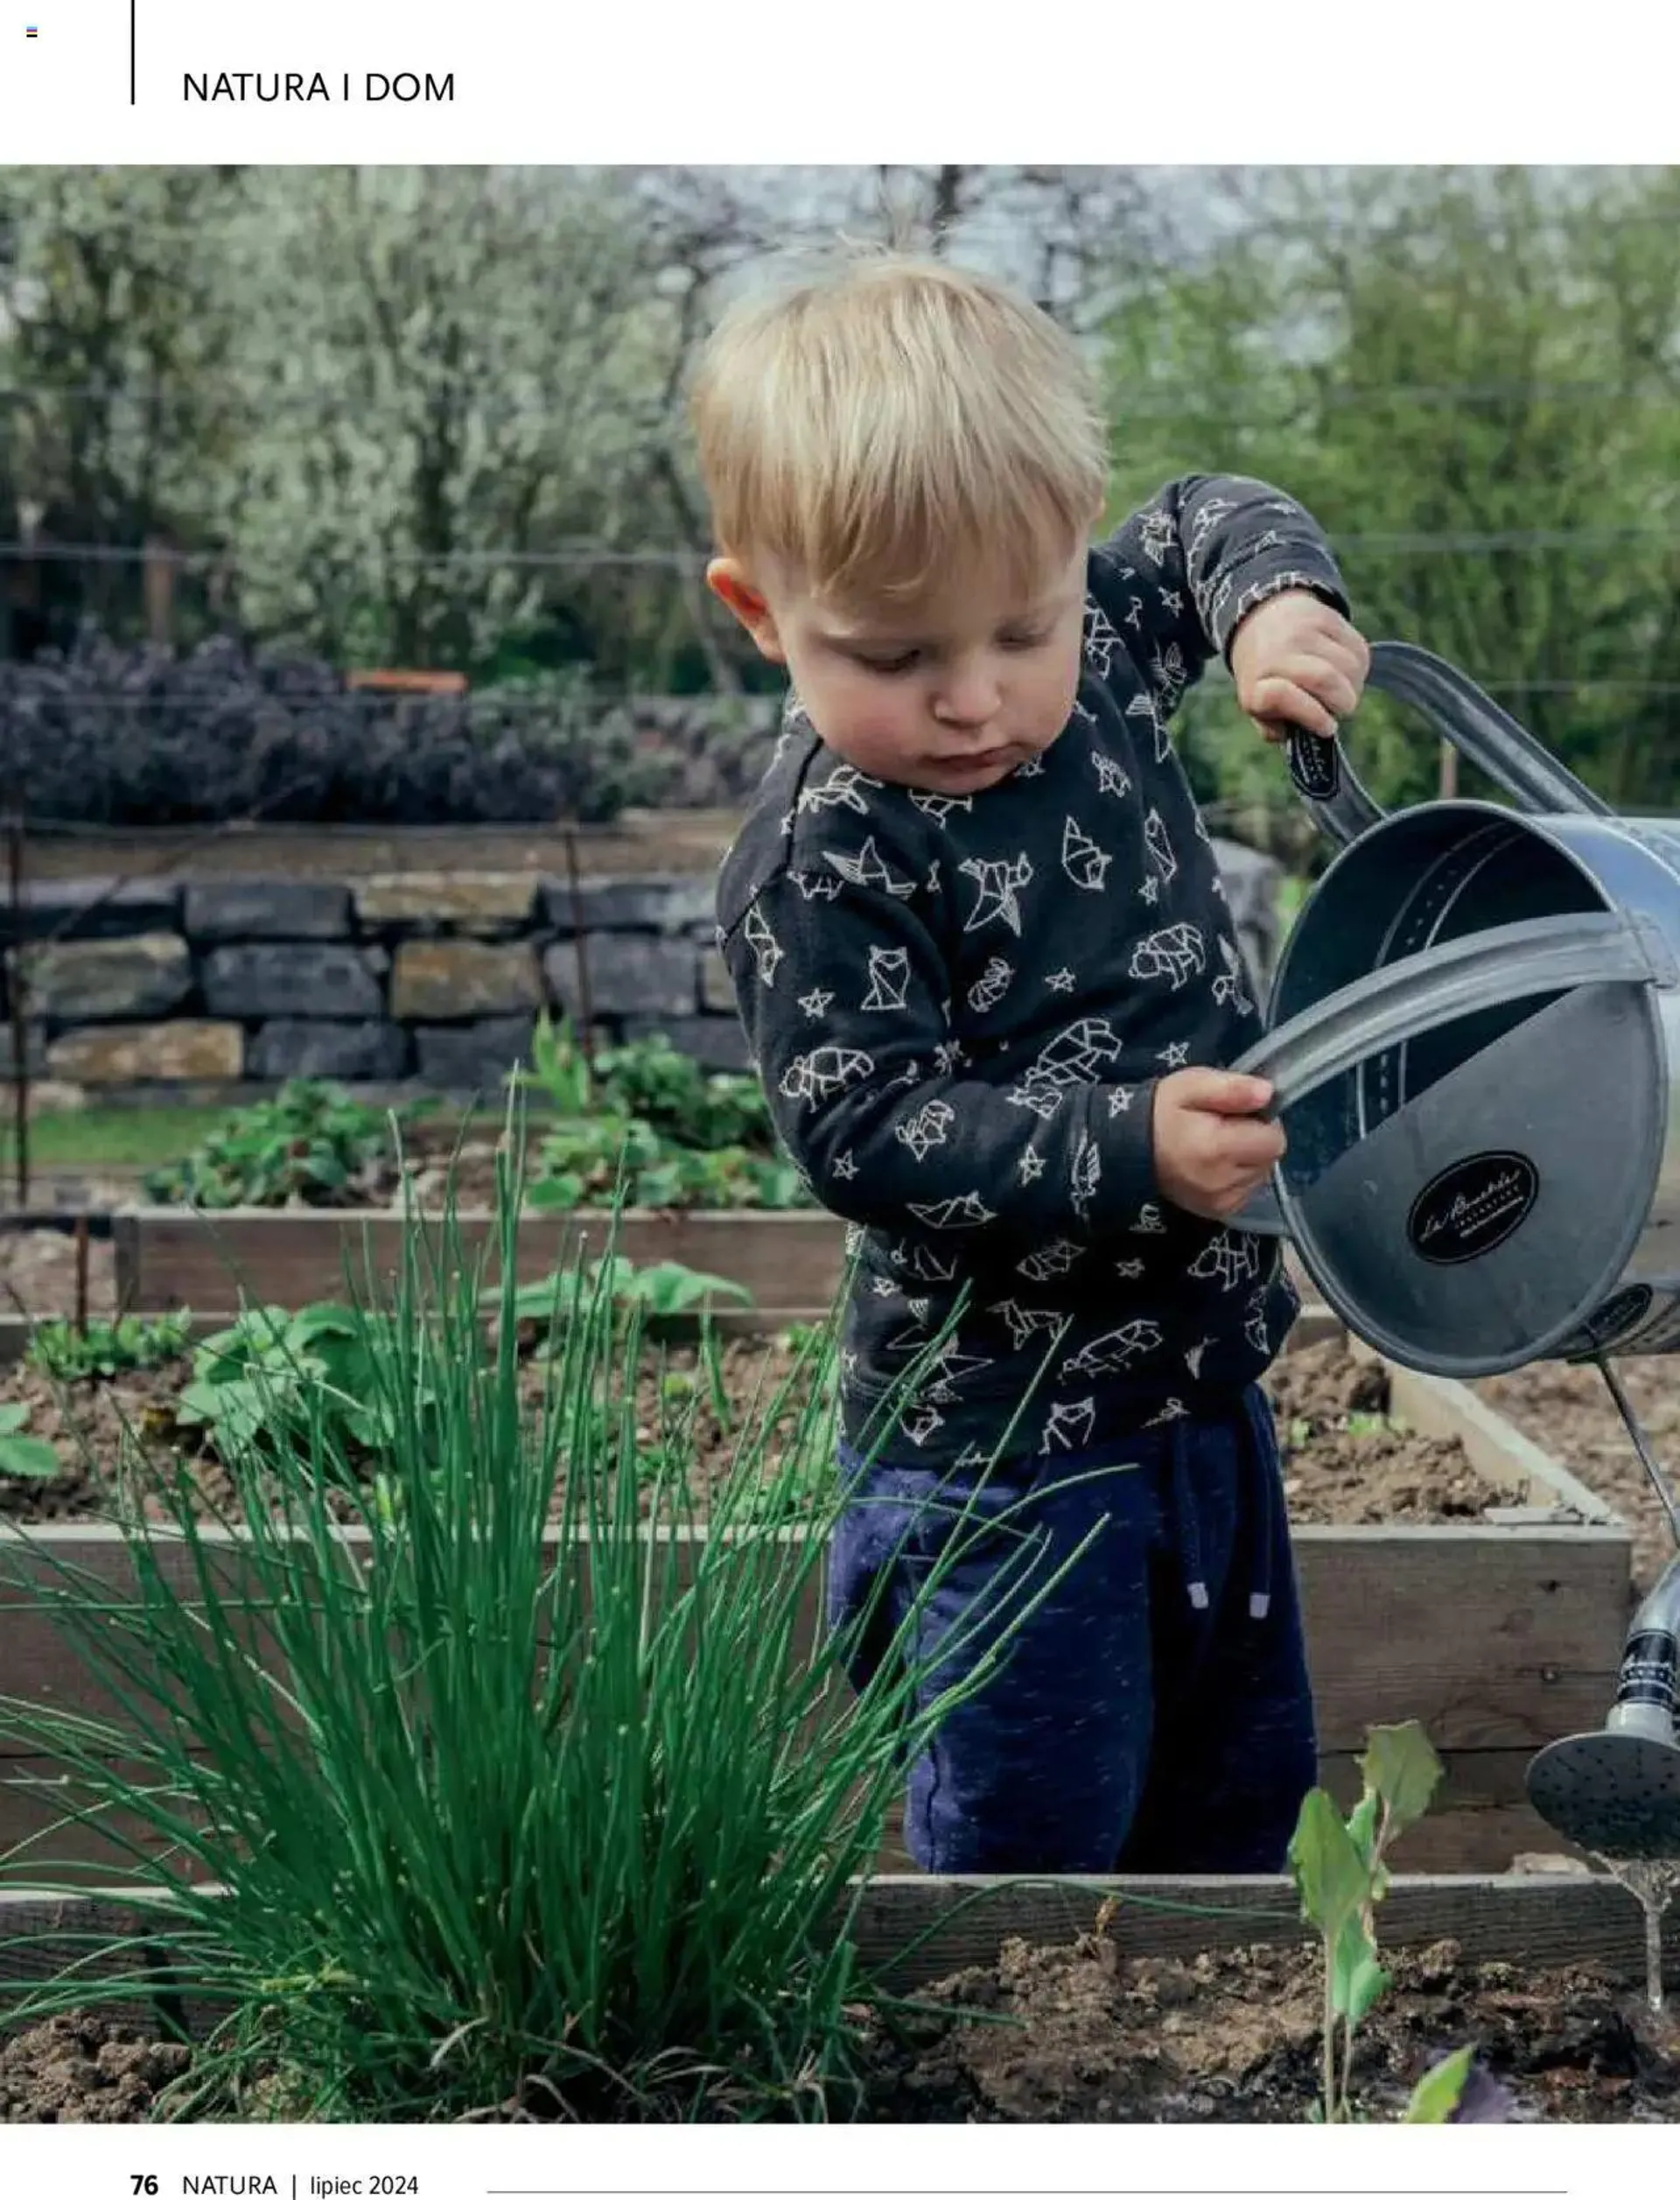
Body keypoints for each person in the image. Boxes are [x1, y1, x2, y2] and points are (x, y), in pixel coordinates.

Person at [692, 248, 1370, 1874]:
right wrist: (1126, 1145)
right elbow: (865, 1126)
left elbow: (1211, 511)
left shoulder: (1110, 651)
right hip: (1000, 1459)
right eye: (892, 655)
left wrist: (1277, 604)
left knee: (1236, 1793)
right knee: (1034, 1839)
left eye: (1022, 623)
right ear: (759, 611)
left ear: (1073, 551)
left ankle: (1223, 2089)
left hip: (1208, 1390)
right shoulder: (825, 853)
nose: (976, 698)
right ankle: (1031, 2107)